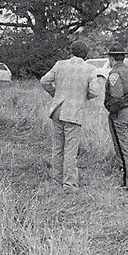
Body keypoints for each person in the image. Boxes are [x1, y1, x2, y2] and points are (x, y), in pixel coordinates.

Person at [40, 40, 99, 191]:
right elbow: (95, 91)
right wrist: (82, 96)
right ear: (85, 54)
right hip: (74, 112)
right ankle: (69, 184)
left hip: (57, 109)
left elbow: (44, 81)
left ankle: (56, 180)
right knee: (70, 150)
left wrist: (55, 94)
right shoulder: (90, 69)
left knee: (57, 148)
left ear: (71, 51)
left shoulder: (60, 64)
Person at [104, 43, 128, 191]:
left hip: (120, 112)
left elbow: (116, 96)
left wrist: (112, 110)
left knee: (122, 148)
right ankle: (127, 178)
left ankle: (127, 182)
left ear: (112, 58)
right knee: (126, 145)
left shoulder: (115, 74)